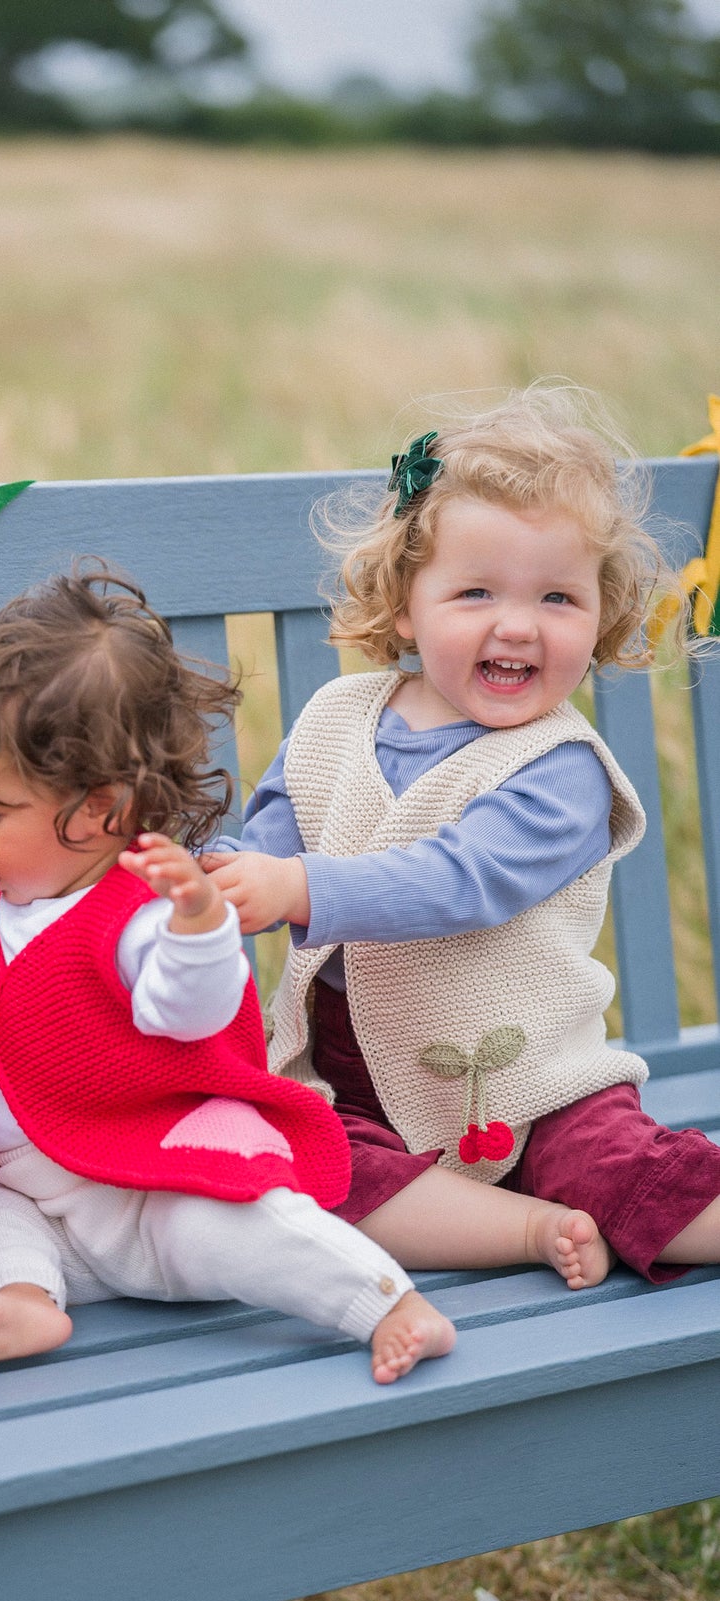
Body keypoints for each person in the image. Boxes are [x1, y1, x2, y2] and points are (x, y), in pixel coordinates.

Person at [204, 384, 716, 1290]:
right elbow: (271, 839)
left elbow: (458, 882)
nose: (514, 624)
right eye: (474, 591)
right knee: (310, 1170)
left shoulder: (559, 769)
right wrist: (218, 885)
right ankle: (529, 1228)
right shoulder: (333, 719)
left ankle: (580, 1198)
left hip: (536, 1088)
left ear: (600, 617)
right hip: (354, 1095)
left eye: (557, 597)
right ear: (405, 604)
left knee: (628, 1173)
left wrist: (297, 889)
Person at [0, 561, 456, 1382]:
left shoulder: (139, 912)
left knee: (249, 1228)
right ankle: (26, 1296)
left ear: (102, 810)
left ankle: (385, 1302)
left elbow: (188, 1014)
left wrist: (199, 924)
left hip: (156, 1192)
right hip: (46, 1210)